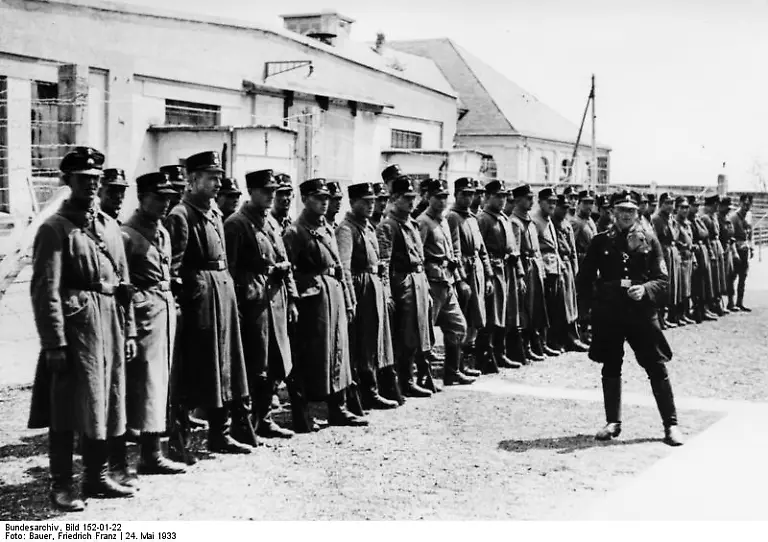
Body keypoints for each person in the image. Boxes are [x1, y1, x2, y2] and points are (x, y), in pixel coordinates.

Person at [29, 147, 138, 511]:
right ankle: (61, 483)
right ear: (67, 181)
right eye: (83, 179)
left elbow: (124, 284)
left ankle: (97, 475)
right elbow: (45, 290)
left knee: (106, 401)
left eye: (95, 179)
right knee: (66, 407)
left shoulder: (109, 226)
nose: (91, 185)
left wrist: (130, 330)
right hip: (76, 328)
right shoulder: (54, 229)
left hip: (110, 322)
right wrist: (54, 343)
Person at [165, 150, 256, 454]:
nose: (217, 183)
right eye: (211, 177)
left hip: (222, 295)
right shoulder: (181, 215)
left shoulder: (215, 212)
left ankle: (221, 433)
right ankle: (179, 440)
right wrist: (186, 300)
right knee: (195, 368)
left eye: (219, 177)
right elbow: (174, 267)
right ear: (192, 180)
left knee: (226, 366)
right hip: (200, 301)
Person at [577, 190, 683, 447]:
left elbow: (662, 280)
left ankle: (671, 425)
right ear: (612, 212)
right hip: (610, 313)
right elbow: (584, 279)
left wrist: (645, 289)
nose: (626, 215)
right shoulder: (601, 241)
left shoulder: (650, 240)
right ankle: (612, 422)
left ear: (638, 213)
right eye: (621, 210)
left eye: (631, 210)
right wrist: (590, 311)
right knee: (611, 365)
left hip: (640, 314)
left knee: (656, 365)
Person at [282, 178, 368, 427]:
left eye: (326, 198)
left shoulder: (328, 228)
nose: (324, 203)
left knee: (338, 350)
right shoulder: (295, 232)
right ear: (304, 200)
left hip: (334, 295)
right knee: (311, 355)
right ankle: (303, 414)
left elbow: (339, 267)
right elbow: (288, 271)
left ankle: (338, 408)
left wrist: (349, 301)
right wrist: (293, 300)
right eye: (318, 198)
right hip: (312, 301)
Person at [224, 169, 298, 438]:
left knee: (275, 361)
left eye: (273, 191)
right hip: (252, 301)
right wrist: (235, 307)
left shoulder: (271, 223)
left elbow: (284, 260)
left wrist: (292, 299)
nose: (270, 196)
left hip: (275, 299)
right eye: (265, 191)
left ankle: (264, 419)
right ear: (251, 192)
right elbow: (230, 270)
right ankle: (242, 423)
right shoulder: (236, 223)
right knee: (254, 364)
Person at [121, 172, 187, 475]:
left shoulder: (161, 231)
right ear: (141, 198)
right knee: (144, 386)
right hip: (143, 316)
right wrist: (132, 324)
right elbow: (124, 285)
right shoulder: (127, 234)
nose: (165, 203)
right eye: (159, 197)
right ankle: (140, 455)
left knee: (159, 384)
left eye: (168, 198)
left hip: (163, 312)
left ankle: (151, 453)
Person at [336, 182, 401, 409]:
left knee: (374, 341)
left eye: (372, 201)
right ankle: (362, 394)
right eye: (365, 202)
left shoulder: (369, 228)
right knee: (361, 343)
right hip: (360, 289)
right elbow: (344, 269)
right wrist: (350, 300)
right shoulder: (346, 230)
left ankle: (372, 390)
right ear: (353, 202)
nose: (370, 206)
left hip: (373, 287)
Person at [376, 176, 434, 398]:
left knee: (417, 332)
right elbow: (384, 263)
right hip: (401, 282)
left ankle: (410, 378)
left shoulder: (413, 223)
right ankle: (401, 381)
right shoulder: (388, 226)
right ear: (394, 198)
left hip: (418, 280)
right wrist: (387, 293)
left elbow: (421, 257)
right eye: (405, 198)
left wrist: (426, 286)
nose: (411, 202)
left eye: (413, 197)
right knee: (403, 334)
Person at [417, 179, 475, 386]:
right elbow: (418, 255)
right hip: (432, 282)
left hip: (446, 281)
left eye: (444, 197)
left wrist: (456, 277)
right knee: (426, 332)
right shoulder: (423, 222)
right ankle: (423, 376)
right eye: (438, 197)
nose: (442, 201)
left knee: (458, 326)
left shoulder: (443, 221)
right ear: (428, 197)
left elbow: (452, 251)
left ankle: (452, 372)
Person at [478, 181, 528, 368]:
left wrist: (520, 273)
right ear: (487, 197)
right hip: (493, 269)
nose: (502, 200)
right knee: (492, 314)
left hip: (507, 269)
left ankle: (500, 352)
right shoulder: (483, 219)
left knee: (505, 313)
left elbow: (514, 247)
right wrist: (488, 275)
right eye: (497, 196)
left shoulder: (505, 219)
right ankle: (486, 355)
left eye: (504, 196)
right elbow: (480, 250)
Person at [447, 178, 494, 374]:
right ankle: (458, 364)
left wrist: (489, 275)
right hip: (465, 273)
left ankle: (468, 360)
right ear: (456, 195)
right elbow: (454, 251)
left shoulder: (473, 218)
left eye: (471, 194)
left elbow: (482, 250)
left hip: (477, 272)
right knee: (462, 319)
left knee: (476, 317)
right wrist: (460, 280)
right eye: (464, 194)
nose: (468, 198)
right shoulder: (452, 217)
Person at [508, 184, 554, 359]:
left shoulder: (530, 222)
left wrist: (541, 270)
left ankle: (535, 345)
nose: (531, 201)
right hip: (525, 268)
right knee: (524, 309)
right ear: (517, 200)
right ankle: (523, 348)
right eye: (528, 198)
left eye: (532, 198)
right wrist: (520, 275)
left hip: (534, 267)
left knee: (535, 308)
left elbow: (537, 250)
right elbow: (515, 251)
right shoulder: (515, 222)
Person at [532, 188, 567, 353]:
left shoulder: (548, 220)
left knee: (554, 307)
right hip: (544, 270)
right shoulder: (535, 221)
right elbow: (536, 249)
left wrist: (560, 265)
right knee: (543, 309)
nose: (552, 205)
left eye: (554, 202)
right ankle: (541, 344)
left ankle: (551, 342)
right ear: (540, 202)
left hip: (554, 269)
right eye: (549, 202)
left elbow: (555, 248)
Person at [552, 195, 589, 351]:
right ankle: (563, 339)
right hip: (558, 265)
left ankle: (573, 337)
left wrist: (575, 269)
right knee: (561, 305)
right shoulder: (551, 223)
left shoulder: (567, 224)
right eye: (562, 207)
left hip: (568, 266)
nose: (564, 210)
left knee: (571, 303)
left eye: (566, 208)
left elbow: (573, 249)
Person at [651, 193, 681, 329]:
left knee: (671, 286)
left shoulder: (670, 218)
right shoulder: (657, 219)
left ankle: (666, 315)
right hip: (662, 253)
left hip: (671, 252)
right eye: (667, 203)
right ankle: (660, 318)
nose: (670, 206)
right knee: (663, 285)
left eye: (672, 203)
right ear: (661, 204)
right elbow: (656, 239)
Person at [689, 196, 719, 323]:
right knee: (698, 283)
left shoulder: (697, 219)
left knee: (706, 281)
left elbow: (706, 235)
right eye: (693, 205)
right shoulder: (688, 221)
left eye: (697, 205)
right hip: (696, 252)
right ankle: (698, 310)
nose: (696, 208)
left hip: (703, 251)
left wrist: (710, 252)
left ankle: (705, 308)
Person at [700, 194, 728, 316]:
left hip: (717, 247)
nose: (718, 207)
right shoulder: (705, 218)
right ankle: (709, 304)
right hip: (710, 247)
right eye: (716, 204)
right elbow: (706, 236)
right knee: (711, 278)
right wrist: (710, 251)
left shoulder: (714, 216)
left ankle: (717, 302)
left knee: (718, 277)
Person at [673, 197, 696, 325]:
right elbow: (675, 240)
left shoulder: (687, 223)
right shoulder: (675, 223)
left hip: (688, 258)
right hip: (680, 258)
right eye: (682, 207)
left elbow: (690, 240)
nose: (685, 210)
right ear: (677, 208)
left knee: (687, 288)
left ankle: (685, 314)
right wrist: (684, 246)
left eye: (687, 207)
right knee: (681, 289)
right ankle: (678, 315)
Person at [729, 194, 753, 312]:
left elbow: (750, 233)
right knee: (732, 276)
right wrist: (734, 252)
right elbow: (731, 236)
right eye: (744, 204)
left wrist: (751, 248)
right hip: (736, 248)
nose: (746, 207)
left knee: (743, 277)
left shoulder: (749, 216)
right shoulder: (734, 217)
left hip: (744, 249)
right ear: (740, 203)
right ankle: (730, 302)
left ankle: (740, 302)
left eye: (748, 204)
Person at [718, 197, 739, 311]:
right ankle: (719, 304)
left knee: (731, 276)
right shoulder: (717, 219)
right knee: (720, 277)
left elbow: (731, 237)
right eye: (726, 207)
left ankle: (731, 302)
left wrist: (734, 252)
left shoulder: (728, 219)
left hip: (728, 250)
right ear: (721, 206)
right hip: (720, 250)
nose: (728, 210)